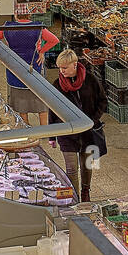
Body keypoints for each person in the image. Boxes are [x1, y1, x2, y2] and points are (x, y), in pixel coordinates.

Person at [50, 49, 106, 202]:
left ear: (75, 65)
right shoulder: (57, 85)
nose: (62, 71)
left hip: (88, 132)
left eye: (65, 68)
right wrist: (52, 136)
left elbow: (102, 101)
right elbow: (52, 109)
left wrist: (93, 120)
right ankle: (74, 198)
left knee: (87, 164)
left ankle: (86, 192)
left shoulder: (91, 80)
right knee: (71, 169)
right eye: (60, 68)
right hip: (66, 133)